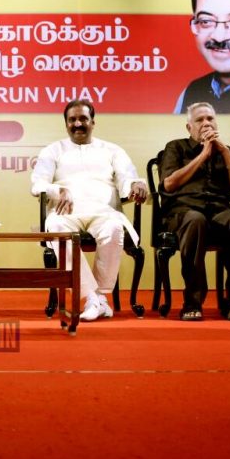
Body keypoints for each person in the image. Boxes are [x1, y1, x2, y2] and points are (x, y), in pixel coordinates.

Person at [31, 99, 148, 321]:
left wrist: (135, 184)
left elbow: (127, 176)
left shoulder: (112, 150)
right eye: (72, 120)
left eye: (83, 119)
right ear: (66, 124)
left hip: (103, 211)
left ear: (93, 122)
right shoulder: (53, 150)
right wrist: (58, 190)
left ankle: (98, 298)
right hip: (66, 213)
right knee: (56, 227)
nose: (77, 124)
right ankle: (96, 299)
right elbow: (37, 184)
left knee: (114, 228)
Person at [159, 102, 230, 321]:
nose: (206, 123)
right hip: (183, 213)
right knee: (195, 219)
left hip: (219, 212)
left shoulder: (226, 151)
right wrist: (203, 155)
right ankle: (193, 300)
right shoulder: (175, 147)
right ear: (189, 127)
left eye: (210, 119)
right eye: (200, 120)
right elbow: (169, 184)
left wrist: (225, 152)